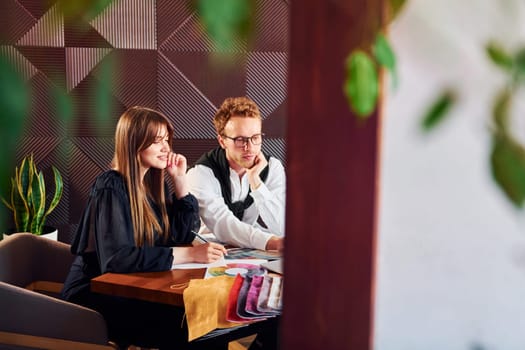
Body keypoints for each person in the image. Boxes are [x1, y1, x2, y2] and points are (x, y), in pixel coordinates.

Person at [61, 106, 227, 349]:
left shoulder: (151, 187)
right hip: (95, 295)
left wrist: (180, 180)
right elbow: (116, 259)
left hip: (131, 288)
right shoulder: (111, 185)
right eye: (157, 141)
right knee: (194, 325)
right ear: (134, 142)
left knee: (206, 321)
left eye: (167, 140)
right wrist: (191, 254)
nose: (166, 148)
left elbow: (180, 236)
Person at [187, 96, 285, 252]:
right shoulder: (200, 173)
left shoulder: (273, 167)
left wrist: (256, 182)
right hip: (212, 251)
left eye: (255, 137)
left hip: (255, 250)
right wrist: (271, 243)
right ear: (222, 141)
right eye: (240, 139)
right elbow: (222, 223)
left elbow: (281, 226)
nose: (249, 147)